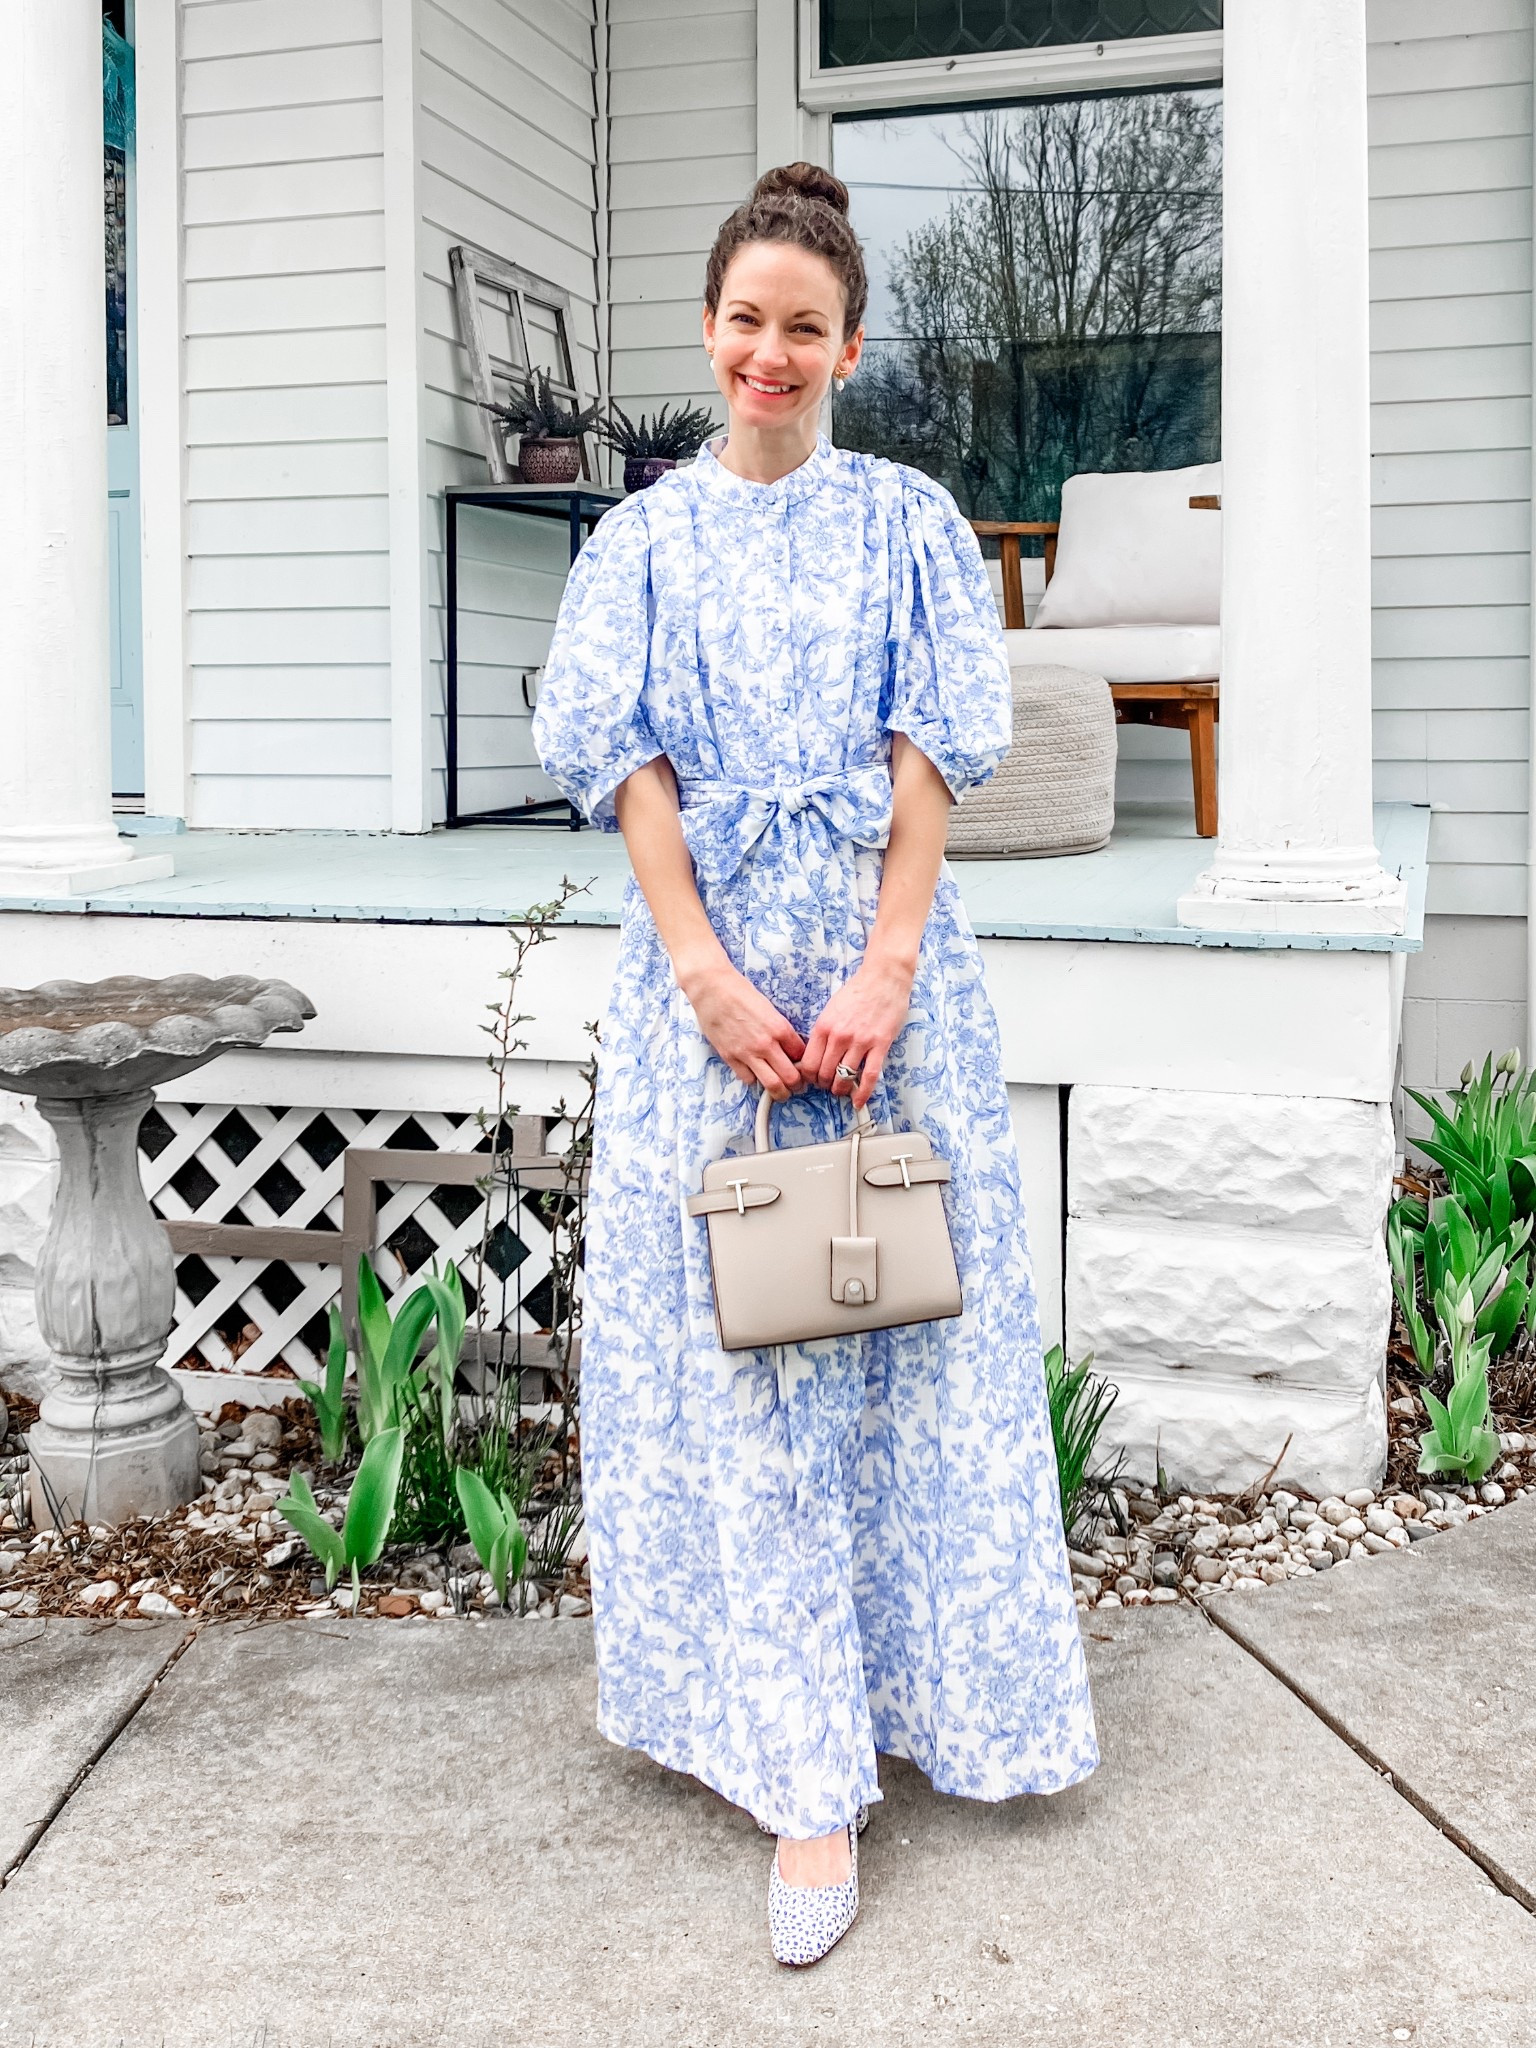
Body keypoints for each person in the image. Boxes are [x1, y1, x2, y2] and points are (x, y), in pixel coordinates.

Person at [532, 161, 1097, 1969]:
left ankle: (933, 1698)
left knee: (904, 1340)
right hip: (706, 995)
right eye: (746, 321)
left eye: (806, 328)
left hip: (883, 988)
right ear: (709, 330)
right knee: (741, 1368)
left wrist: (886, 965)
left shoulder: (910, 523)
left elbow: (938, 748)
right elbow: (622, 766)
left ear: (848, 344)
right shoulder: (637, 543)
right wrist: (700, 972)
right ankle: (799, 1779)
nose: (771, 352)